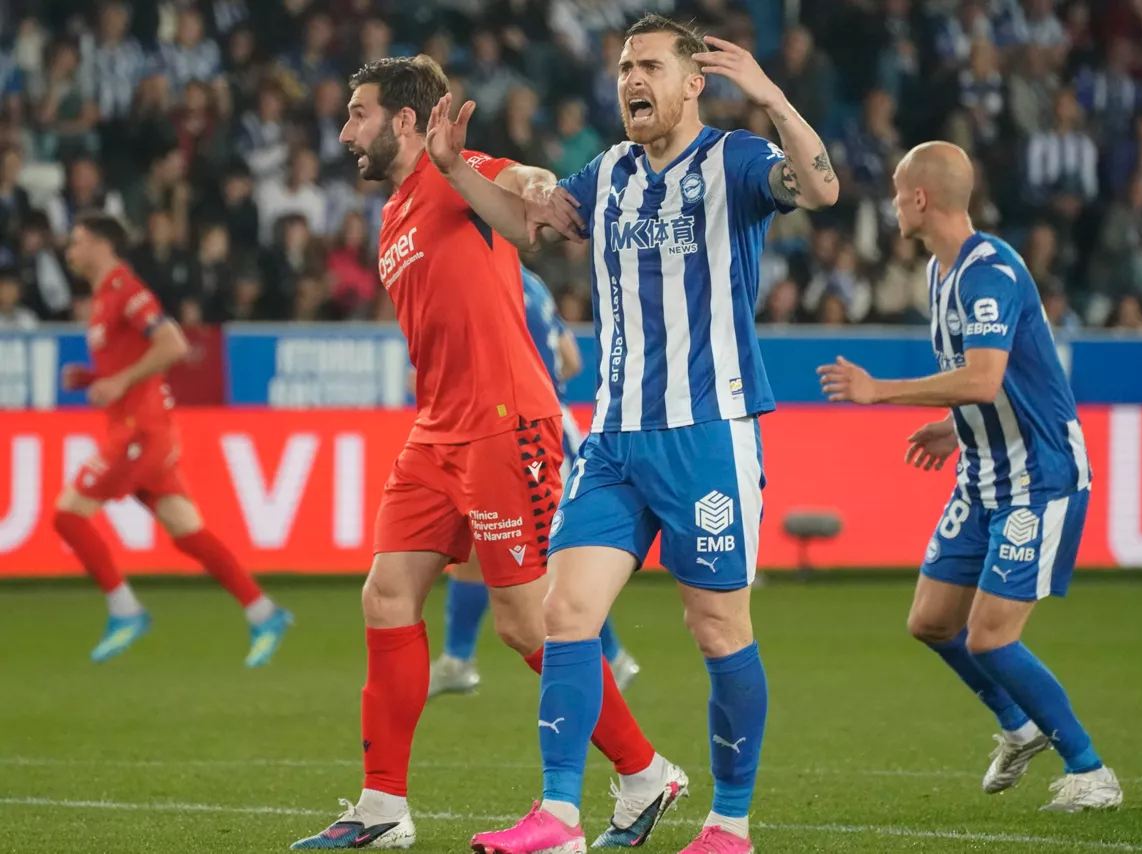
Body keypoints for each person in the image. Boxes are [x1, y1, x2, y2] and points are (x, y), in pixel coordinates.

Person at [428, 15, 838, 853]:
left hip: (707, 434)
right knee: (564, 613)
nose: (630, 80)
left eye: (649, 65)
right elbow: (527, 223)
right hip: (614, 438)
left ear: (694, 83)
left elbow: (822, 189)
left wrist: (771, 98)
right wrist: (451, 171)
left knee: (716, 629)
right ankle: (559, 816)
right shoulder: (610, 172)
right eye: (623, 67)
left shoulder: (736, 160)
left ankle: (730, 824)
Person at [290, 55, 684, 851]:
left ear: (405, 121)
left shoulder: (461, 170)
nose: (345, 131)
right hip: (436, 431)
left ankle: (645, 772)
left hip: (506, 425)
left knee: (529, 624)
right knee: (386, 596)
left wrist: (538, 188)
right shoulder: (393, 212)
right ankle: (382, 807)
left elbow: (531, 185)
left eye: (358, 114)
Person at [817, 141, 1123, 813]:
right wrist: (955, 429)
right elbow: (1000, 383)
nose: (893, 206)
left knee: (990, 636)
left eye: (898, 193)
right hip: (983, 474)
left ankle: (1090, 770)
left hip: (1039, 478)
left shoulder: (992, 273)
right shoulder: (938, 271)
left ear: (920, 198)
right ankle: (1017, 727)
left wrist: (881, 392)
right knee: (931, 622)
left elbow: (984, 378)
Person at [53, 211, 292, 666]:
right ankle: (265, 612)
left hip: (139, 432)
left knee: (68, 514)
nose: (71, 250)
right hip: (139, 428)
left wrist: (119, 382)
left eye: (78, 241)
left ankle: (125, 610)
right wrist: (91, 378)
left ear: (102, 244)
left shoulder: (125, 289)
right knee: (186, 530)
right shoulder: (104, 296)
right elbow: (131, 362)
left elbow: (174, 345)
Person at [431, 267, 641, 698]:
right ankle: (456, 660)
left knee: (557, 560)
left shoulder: (483, 280)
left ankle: (613, 659)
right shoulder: (531, 281)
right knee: (477, 540)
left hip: (530, 431)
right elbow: (572, 359)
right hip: (548, 421)